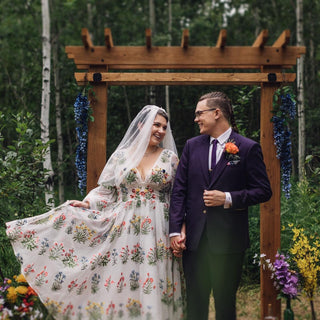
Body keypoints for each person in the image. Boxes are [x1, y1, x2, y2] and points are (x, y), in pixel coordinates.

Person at [6, 105, 185, 320]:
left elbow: (180, 196)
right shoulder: (121, 157)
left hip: (159, 230)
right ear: (141, 125)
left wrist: (180, 229)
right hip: (125, 229)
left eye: (164, 127)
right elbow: (106, 191)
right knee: (126, 277)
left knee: (154, 279)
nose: (161, 131)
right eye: (156, 125)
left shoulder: (170, 159)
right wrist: (87, 203)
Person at [169, 91, 272, 320]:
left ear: (217, 113)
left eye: (199, 113)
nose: (196, 119)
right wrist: (175, 230)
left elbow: (263, 191)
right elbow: (180, 191)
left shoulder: (246, 148)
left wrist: (227, 198)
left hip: (229, 242)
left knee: (226, 305)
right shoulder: (191, 146)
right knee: (195, 305)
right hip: (194, 242)